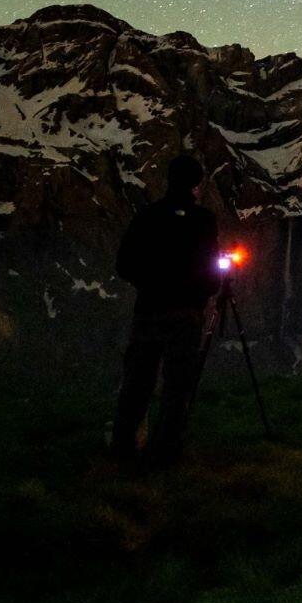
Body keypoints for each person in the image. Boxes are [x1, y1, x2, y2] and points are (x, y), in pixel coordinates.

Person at [110, 153, 223, 469]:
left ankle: (123, 449)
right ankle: (165, 453)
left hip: (149, 311)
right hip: (187, 315)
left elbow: (124, 264)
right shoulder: (203, 221)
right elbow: (212, 273)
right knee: (177, 386)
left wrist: (149, 284)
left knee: (137, 382)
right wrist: (199, 291)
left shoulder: (148, 216)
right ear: (196, 184)